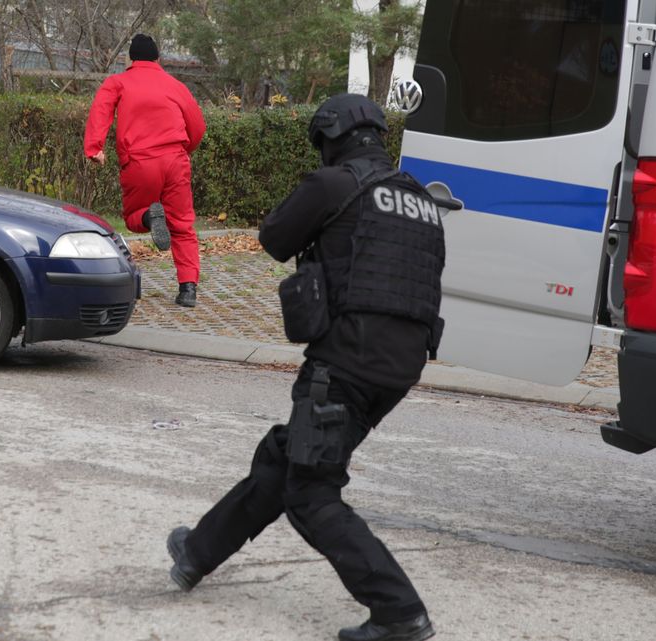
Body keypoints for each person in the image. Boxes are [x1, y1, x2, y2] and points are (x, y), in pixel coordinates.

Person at [165, 94, 446, 641]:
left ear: (332, 135)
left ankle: (398, 611)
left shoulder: (335, 185)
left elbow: (274, 239)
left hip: (347, 360)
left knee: (311, 490)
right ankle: (198, 551)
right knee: (286, 454)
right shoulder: (419, 199)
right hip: (399, 366)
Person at [83, 33, 206, 307]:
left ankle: (150, 217)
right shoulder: (175, 85)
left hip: (140, 162)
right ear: (158, 59)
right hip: (175, 160)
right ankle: (188, 289)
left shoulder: (118, 82)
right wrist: (184, 151)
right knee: (182, 224)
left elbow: (100, 111)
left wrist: (94, 147)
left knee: (131, 217)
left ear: (130, 60)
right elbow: (197, 127)